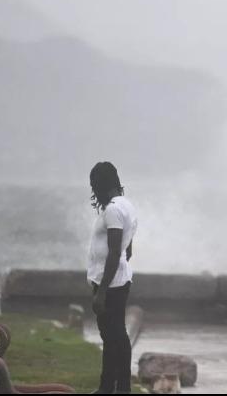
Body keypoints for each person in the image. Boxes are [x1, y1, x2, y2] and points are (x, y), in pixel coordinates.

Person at [87, 162, 138, 394]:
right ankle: (110, 387)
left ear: (102, 185)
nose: (93, 192)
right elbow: (127, 248)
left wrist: (102, 292)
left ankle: (116, 388)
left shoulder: (112, 210)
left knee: (113, 335)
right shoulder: (126, 205)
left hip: (111, 284)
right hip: (119, 280)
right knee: (114, 335)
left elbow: (116, 251)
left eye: (94, 186)